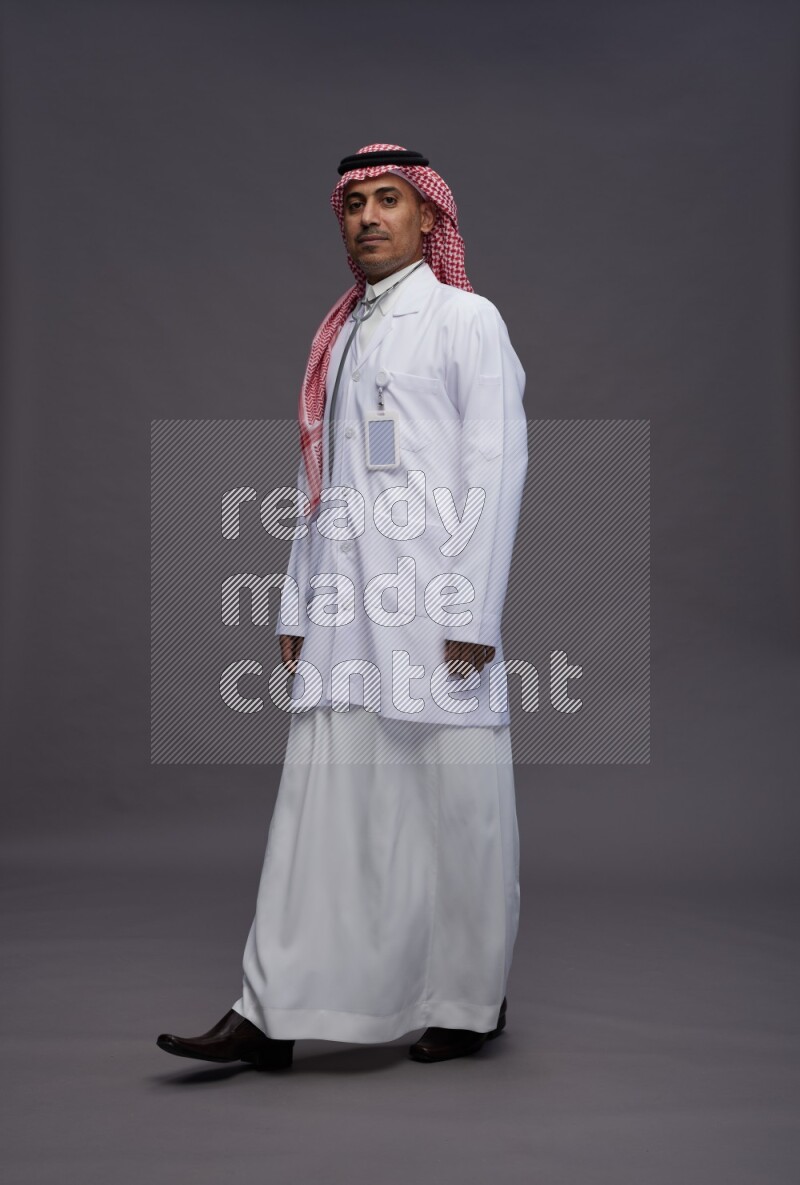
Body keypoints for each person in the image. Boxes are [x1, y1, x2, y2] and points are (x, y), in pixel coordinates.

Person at [157, 143, 528, 1071]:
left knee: (458, 808)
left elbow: (497, 465)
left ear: (429, 218)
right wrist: (295, 597)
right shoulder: (345, 330)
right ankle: (272, 1009)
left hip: (437, 613)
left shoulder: (465, 319)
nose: (367, 217)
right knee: (321, 806)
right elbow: (318, 479)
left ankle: (469, 1000)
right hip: (344, 612)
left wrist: (474, 613)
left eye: (388, 200)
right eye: (354, 202)